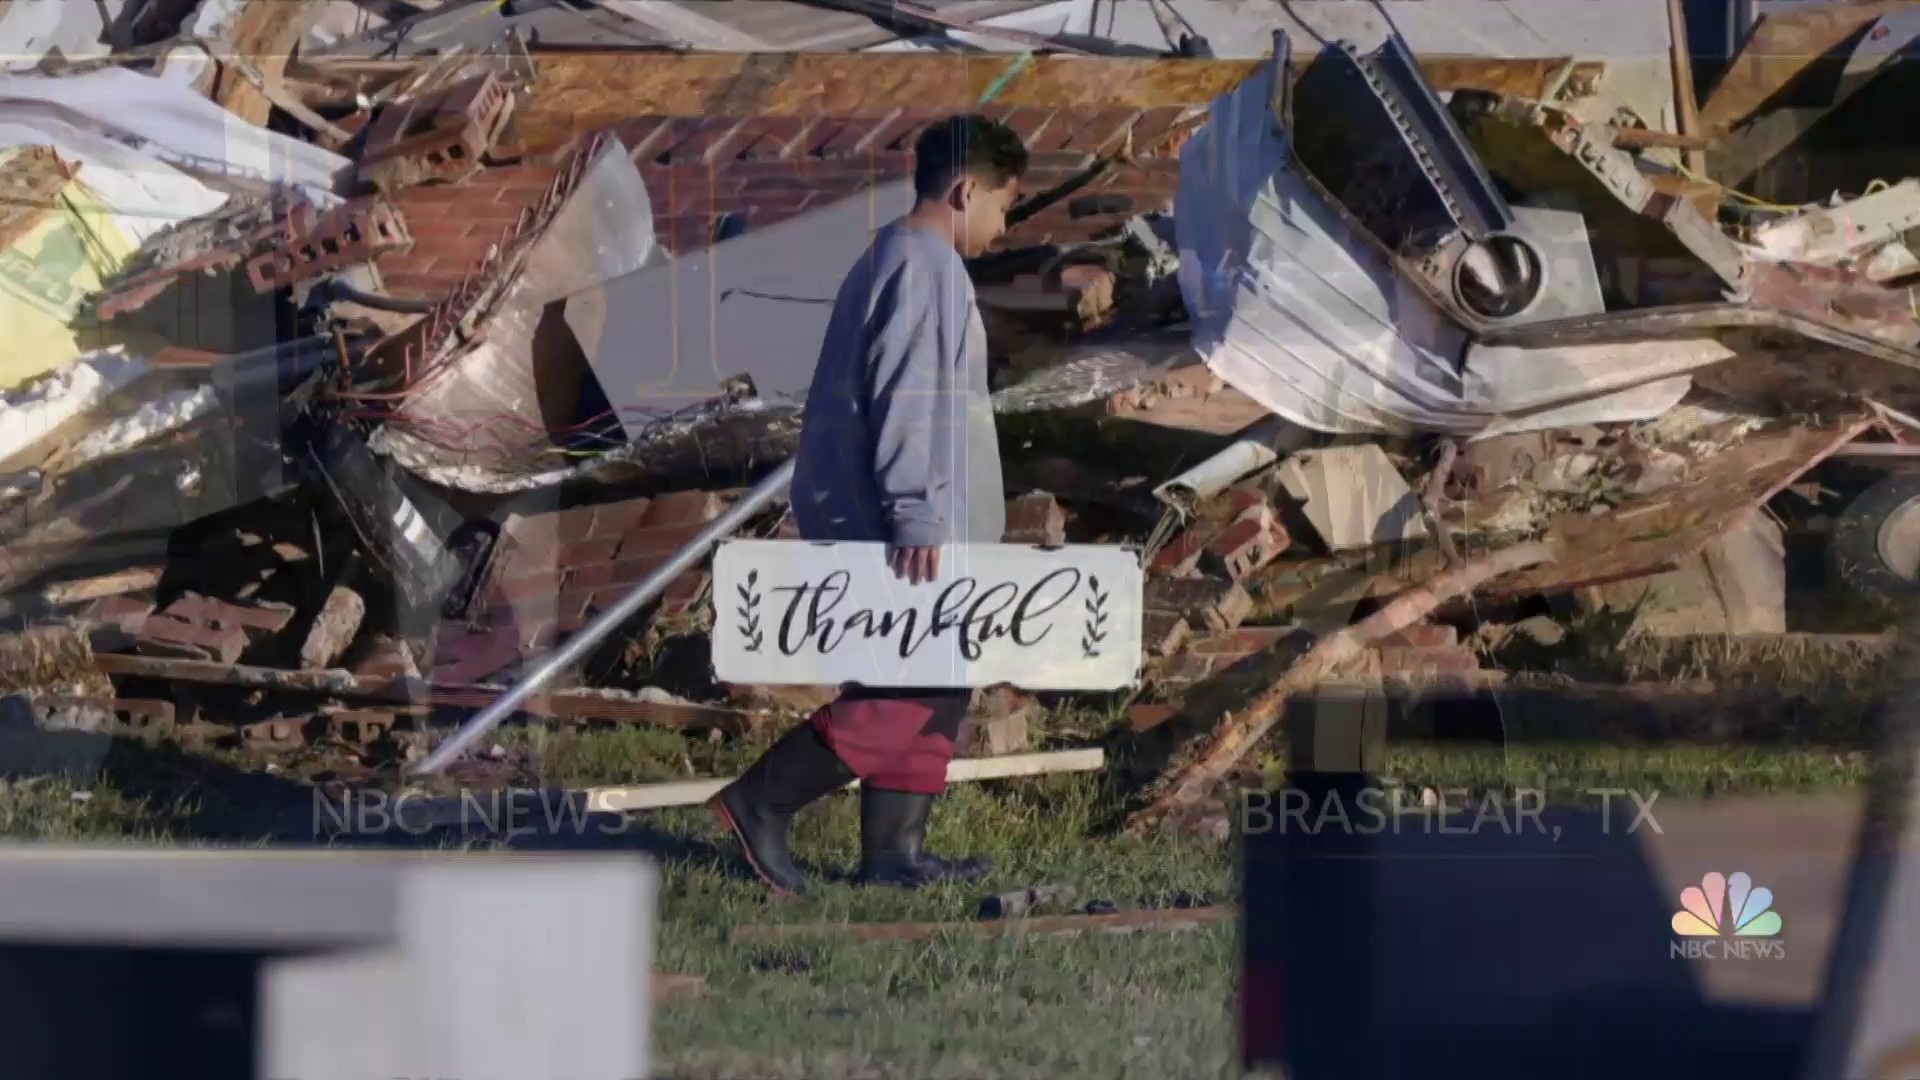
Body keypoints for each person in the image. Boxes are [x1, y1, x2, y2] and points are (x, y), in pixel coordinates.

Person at [708, 114, 1029, 894]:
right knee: (904, 690)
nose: (1005, 226)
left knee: (940, 680)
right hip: (900, 522)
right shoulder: (928, 270)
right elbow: (911, 399)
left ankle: (894, 854)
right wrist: (918, 513)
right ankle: (759, 801)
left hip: (905, 517)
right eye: (1005, 206)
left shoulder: (898, 257)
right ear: (967, 189)